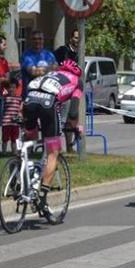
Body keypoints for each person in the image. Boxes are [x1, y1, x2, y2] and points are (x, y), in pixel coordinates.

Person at [22, 59, 83, 215]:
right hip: (48, 104)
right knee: (53, 152)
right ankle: (42, 196)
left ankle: (22, 170)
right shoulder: (76, 81)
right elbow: (74, 112)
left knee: (30, 135)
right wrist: (74, 126)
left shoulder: (51, 74)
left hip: (29, 100)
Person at [54, 29, 82, 153]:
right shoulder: (63, 50)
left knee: (73, 117)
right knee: (61, 118)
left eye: (79, 38)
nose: (77, 40)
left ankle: (70, 146)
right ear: (71, 38)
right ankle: (57, 147)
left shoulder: (80, 53)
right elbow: (53, 63)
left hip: (75, 89)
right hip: (63, 88)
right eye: (75, 38)